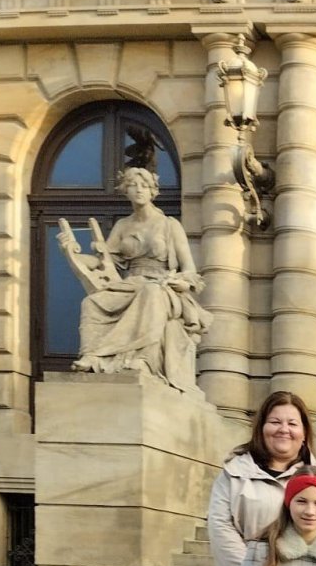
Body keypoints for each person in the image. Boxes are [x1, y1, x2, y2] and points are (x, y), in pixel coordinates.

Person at [68, 165, 211, 396]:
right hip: (129, 283)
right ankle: (92, 356)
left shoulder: (169, 225)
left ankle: (144, 359)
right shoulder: (123, 226)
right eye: (133, 185)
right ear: (125, 190)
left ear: (153, 190)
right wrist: (72, 252)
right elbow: (103, 261)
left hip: (161, 285)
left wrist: (184, 283)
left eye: (144, 185)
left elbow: (190, 270)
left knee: (150, 293)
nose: (139, 190)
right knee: (91, 303)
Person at [207, 393, 316, 566]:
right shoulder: (233, 475)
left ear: (304, 433)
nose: (284, 429)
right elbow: (221, 531)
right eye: (275, 422)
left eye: (292, 423)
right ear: (261, 428)